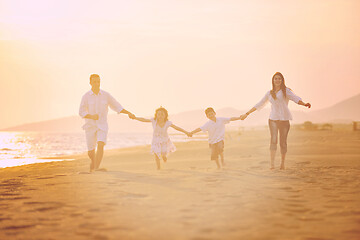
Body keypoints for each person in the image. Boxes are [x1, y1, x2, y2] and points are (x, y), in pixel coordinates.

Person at [240, 72, 311, 170]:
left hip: (284, 120)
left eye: (279, 79)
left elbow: (296, 99)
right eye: (275, 79)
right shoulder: (269, 93)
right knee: (273, 140)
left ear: (282, 80)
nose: (277, 80)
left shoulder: (286, 91)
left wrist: (304, 104)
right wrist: (247, 113)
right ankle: (272, 164)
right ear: (273, 80)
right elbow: (259, 104)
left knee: (283, 142)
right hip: (273, 119)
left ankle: (282, 164)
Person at [79, 74, 135, 172]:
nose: (97, 84)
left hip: (102, 125)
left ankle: (96, 168)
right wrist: (91, 116)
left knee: (101, 144)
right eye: (94, 82)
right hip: (90, 126)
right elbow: (81, 112)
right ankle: (94, 163)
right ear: (90, 83)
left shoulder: (106, 95)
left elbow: (117, 106)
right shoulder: (86, 96)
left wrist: (128, 113)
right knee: (91, 152)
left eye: (98, 81)